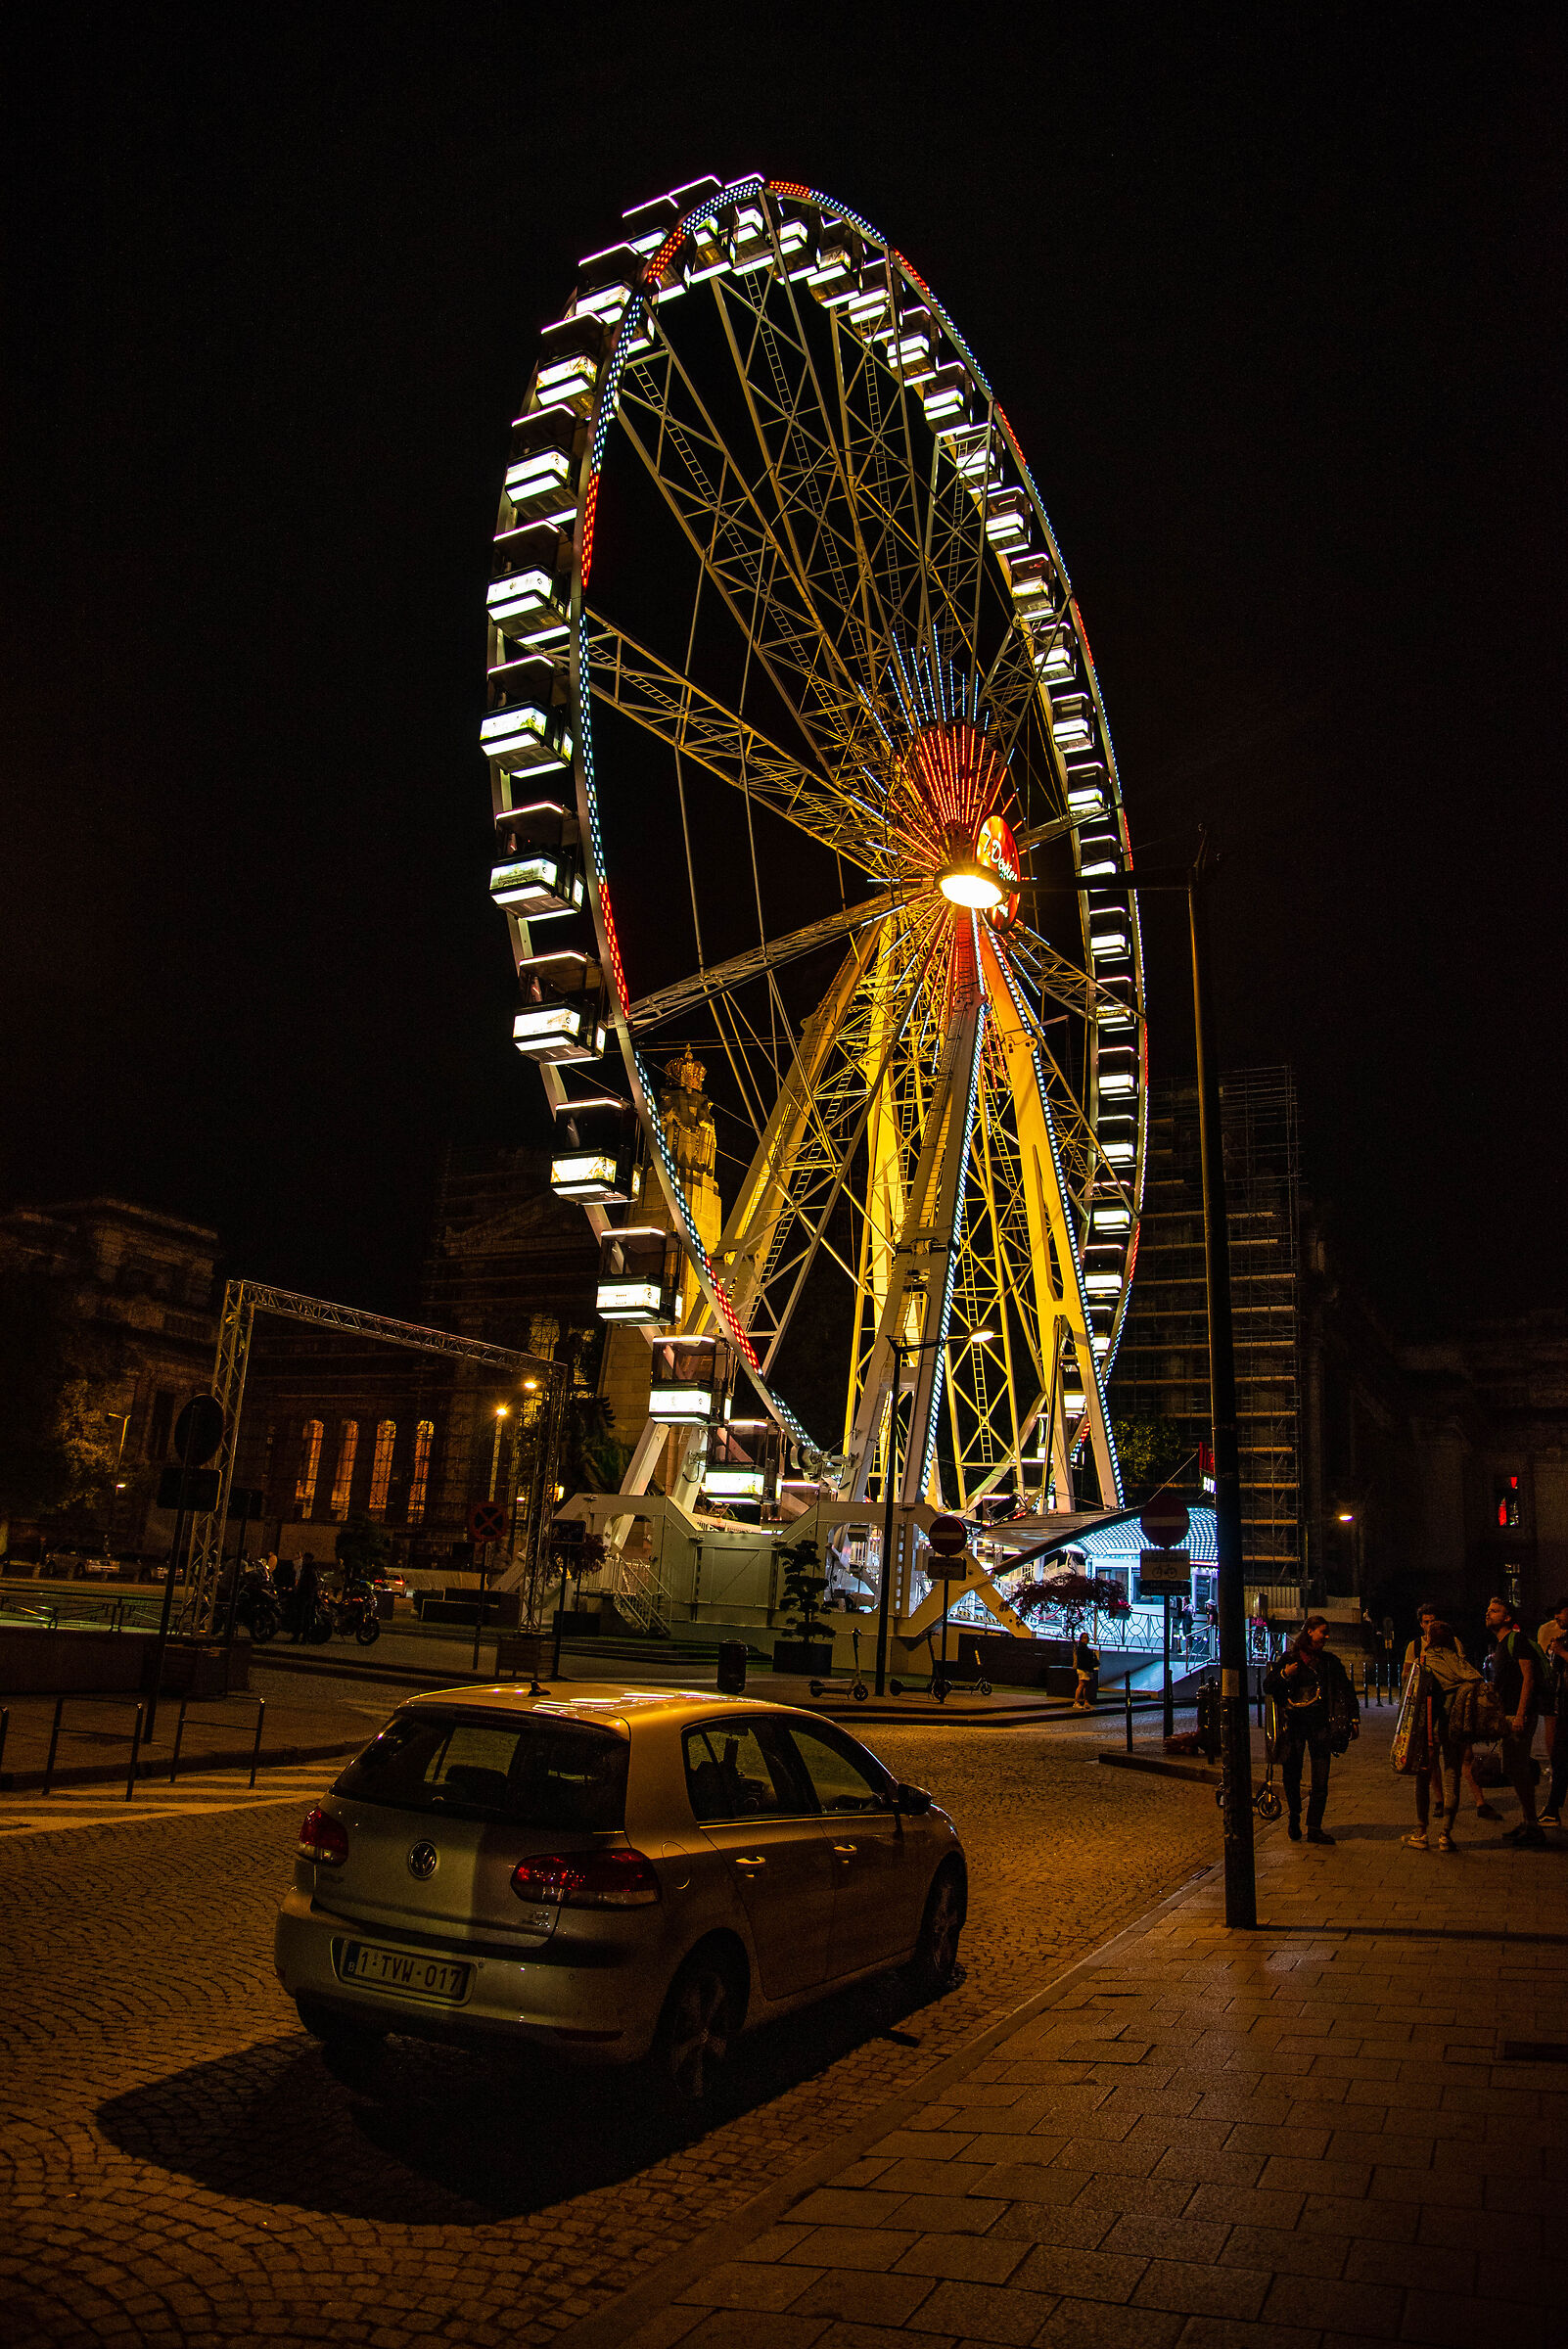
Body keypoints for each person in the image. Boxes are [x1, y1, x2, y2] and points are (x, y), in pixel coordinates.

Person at [1402, 1601, 1501, 1820]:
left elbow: (1463, 1672)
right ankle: (1440, 1803)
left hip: (1454, 1716)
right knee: (1433, 1760)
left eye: (1433, 1621)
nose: (1430, 1626)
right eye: (1426, 1622)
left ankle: (1479, 1801)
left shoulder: (1453, 1643)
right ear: (1420, 1624)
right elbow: (1407, 1679)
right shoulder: (1415, 1647)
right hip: (1429, 1716)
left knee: (1463, 1760)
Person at [1266, 1615, 1360, 1845]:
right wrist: (1285, 1674)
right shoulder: (1290, 1658)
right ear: (1309, 1631)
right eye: (1323, 1632)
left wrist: (1353, 1719)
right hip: (1294, 1726)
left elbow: (1346, 1689)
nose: (1326, 1637)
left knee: (1321, 1779)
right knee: (1292, 1776)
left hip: (1320, 1726)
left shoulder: (1329, 1662)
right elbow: (1268, 1685)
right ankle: (1294, 1817)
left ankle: (1315, 1827)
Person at [1400, 1620, 1477, 1853]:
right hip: (1455, 1729)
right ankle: (1446, 1834)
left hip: (1427, 1731)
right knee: (1453, 1775)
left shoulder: (1422, 1663)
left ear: (1429, 1641)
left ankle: (1421, 1832)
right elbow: (1477, 1684)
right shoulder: (1463, 1666)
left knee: (1423, 1779)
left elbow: (1409, 1701)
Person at [1485, 1596, 1546, 1848]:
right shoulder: (1501, 1645)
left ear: (1508, 1617)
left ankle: (1533, 1825)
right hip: (1508, 1714)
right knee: (1513, 1768)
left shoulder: (1517, 1640)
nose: (1488, 1613)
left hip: (1518, 1715)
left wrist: (1521, 1714)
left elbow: (1528, 1678)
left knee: (1517, 1768)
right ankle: (1528, 1821)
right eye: (1488, 1610)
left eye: (1495, 1610)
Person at [1535, 1601, 1568, 1829]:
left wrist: (1562, 1652)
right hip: (1562, 1705)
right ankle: (1552, 1809)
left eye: (1561, 1612)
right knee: (1559, 1756)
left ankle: (1552, 1809)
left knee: (1561, 1756)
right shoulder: (1560, 1638)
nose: (1557, 1616)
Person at [290, 1552, 321, 1642]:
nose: (304, 1560)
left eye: (306, 1559)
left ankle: (299, 1637)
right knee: (303, 1617)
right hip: (304, 1595)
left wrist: (309, 1592)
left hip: (306, 1596)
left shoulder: (311, 1570)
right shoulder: (305, 1568)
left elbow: (314, 1583)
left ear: (309, 1559)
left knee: (302, 1617)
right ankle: (302, 1637)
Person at [1072, 1628, 1098, 1709]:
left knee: (1086, 1686)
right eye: (1084, 1638)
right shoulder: (1081, 1648)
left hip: (1087, 1669)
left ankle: (1086, 1702)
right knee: (1082, 1684)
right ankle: (1076, 1702)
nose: (1086, 1639)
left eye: (1087, 1638)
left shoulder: (1084, 1648)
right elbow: (1084, 1659)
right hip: (1083, 1669)